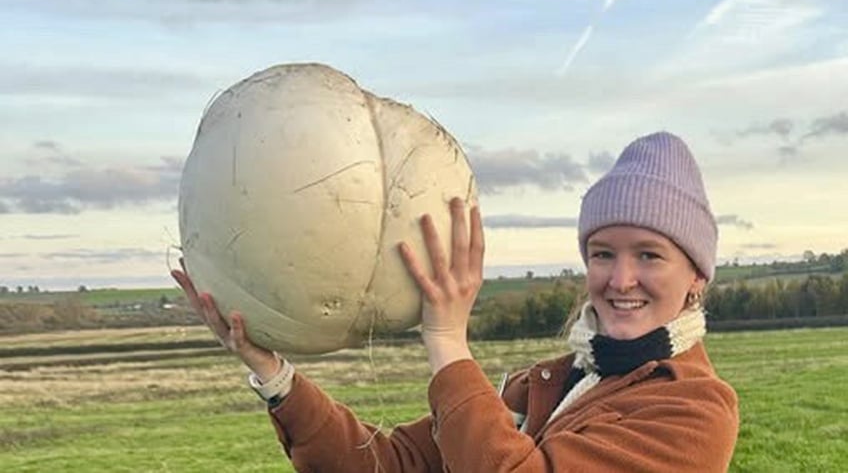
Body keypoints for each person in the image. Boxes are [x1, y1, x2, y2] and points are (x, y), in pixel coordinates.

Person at [172, 131, 739, 472]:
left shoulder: (693, 412)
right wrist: (273, 373)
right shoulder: (543, 384)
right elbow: (390, 464)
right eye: (601, 253)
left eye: (649, 255)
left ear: (696, 277)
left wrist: (446, 343)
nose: (620, 279)